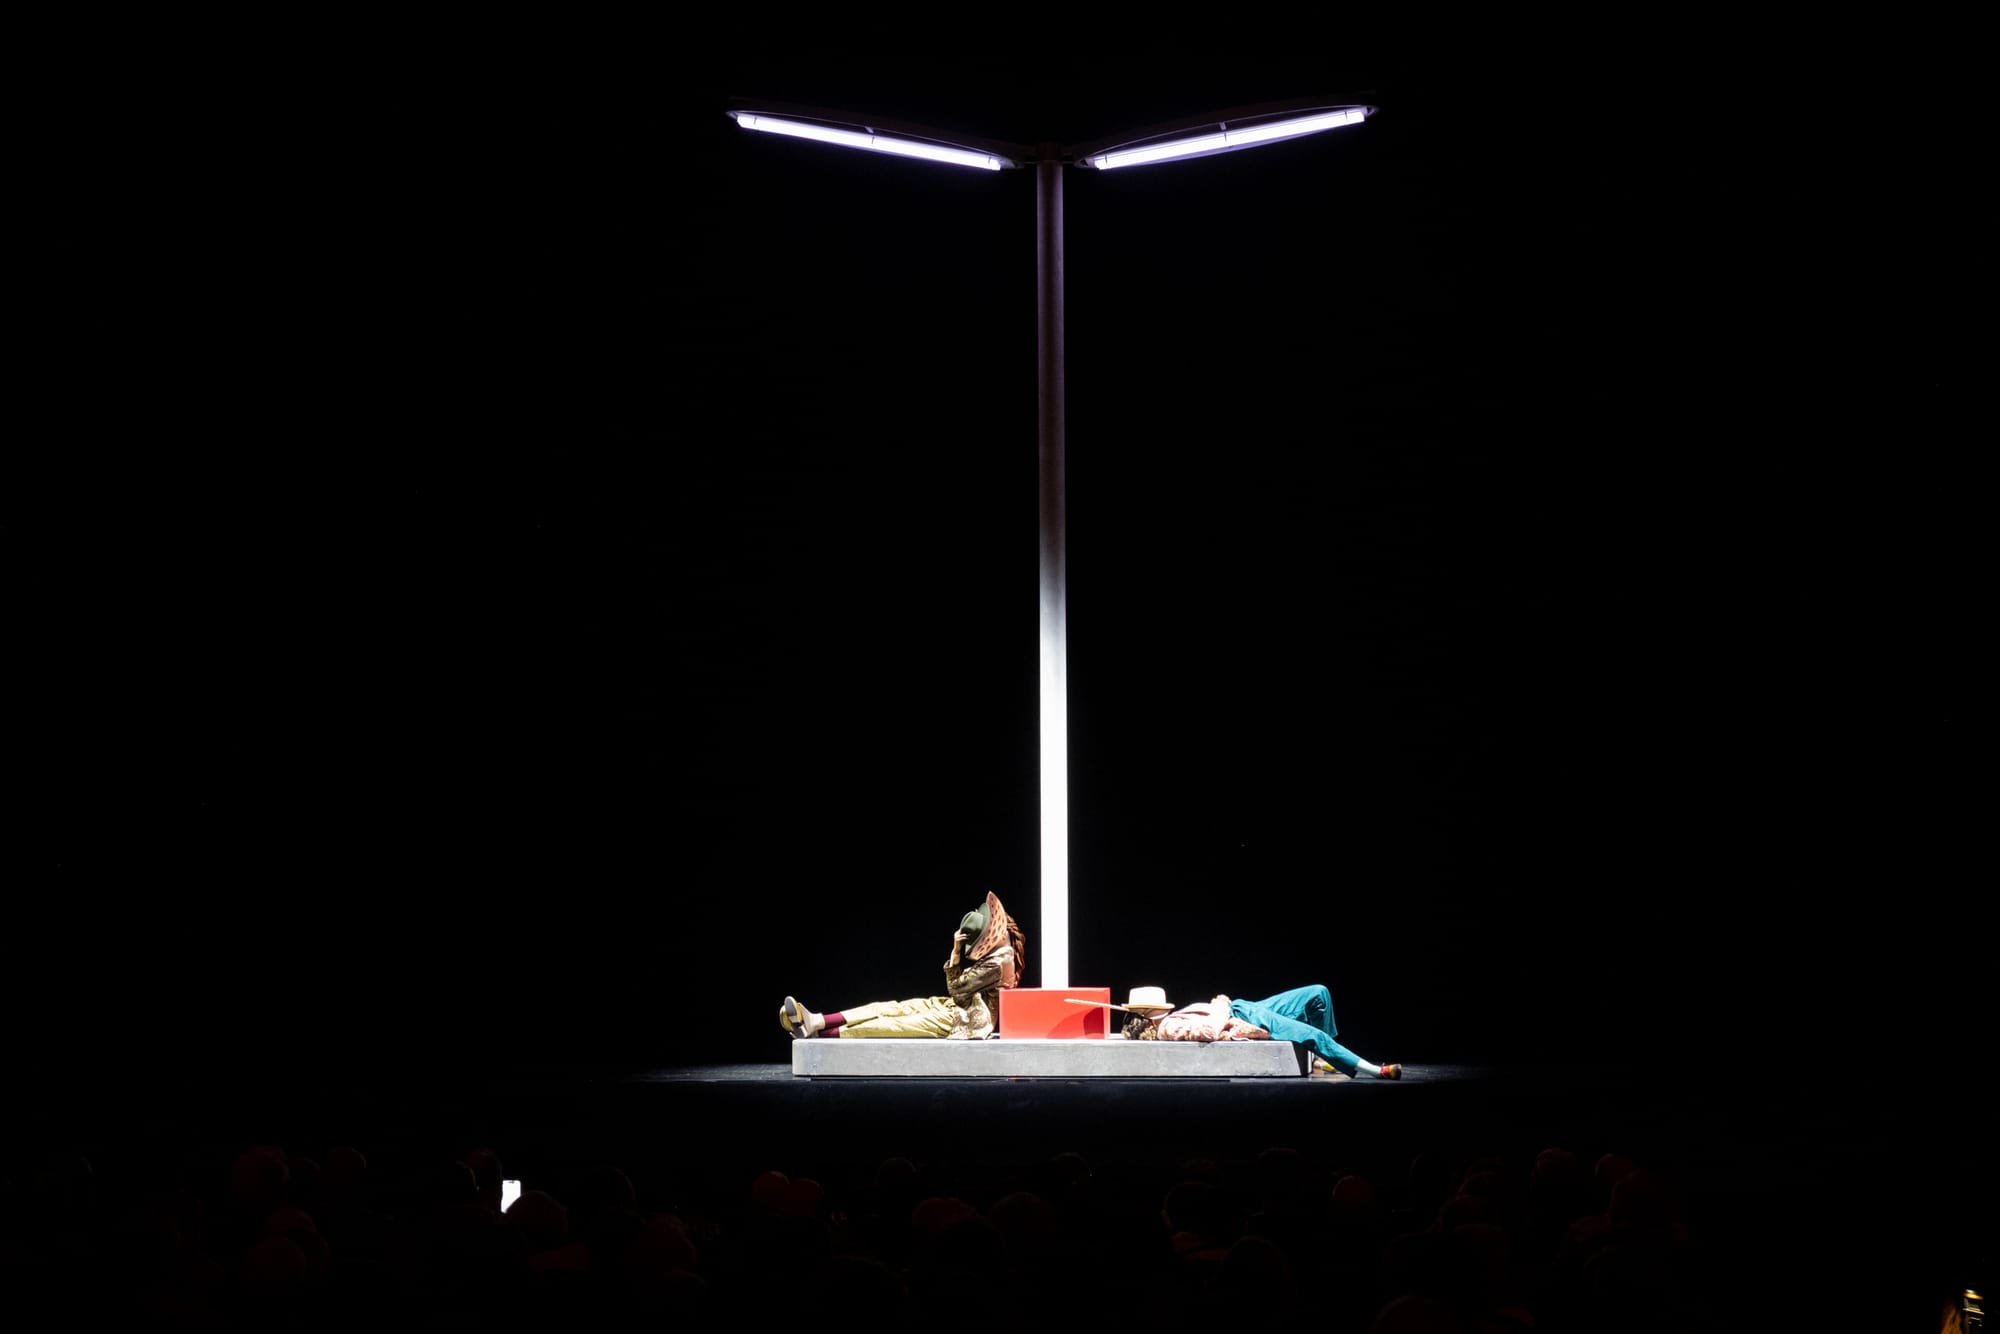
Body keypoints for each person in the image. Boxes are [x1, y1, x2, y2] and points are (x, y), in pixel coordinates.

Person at [780, 891, 1025, 1040]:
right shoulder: (1001, 954)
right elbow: (960, 994)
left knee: (895, 1025)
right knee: (891, 1008)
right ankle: (817, 1022)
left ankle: (817, 1035)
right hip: (959, 1007)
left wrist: (955, 953)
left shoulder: (998, 962)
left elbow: (957, 988)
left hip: (967, 1019)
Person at [1089, 984, 1401, 1079]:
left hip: (1248, 1006)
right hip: (1243, 1014)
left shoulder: (1166, 1022)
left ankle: (1321, 1059)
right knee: (1311, 1035)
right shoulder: (1169, 1027)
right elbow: (1208, 1030)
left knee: (1318, 994)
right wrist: (1222, 1005)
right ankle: (1373, 1070)